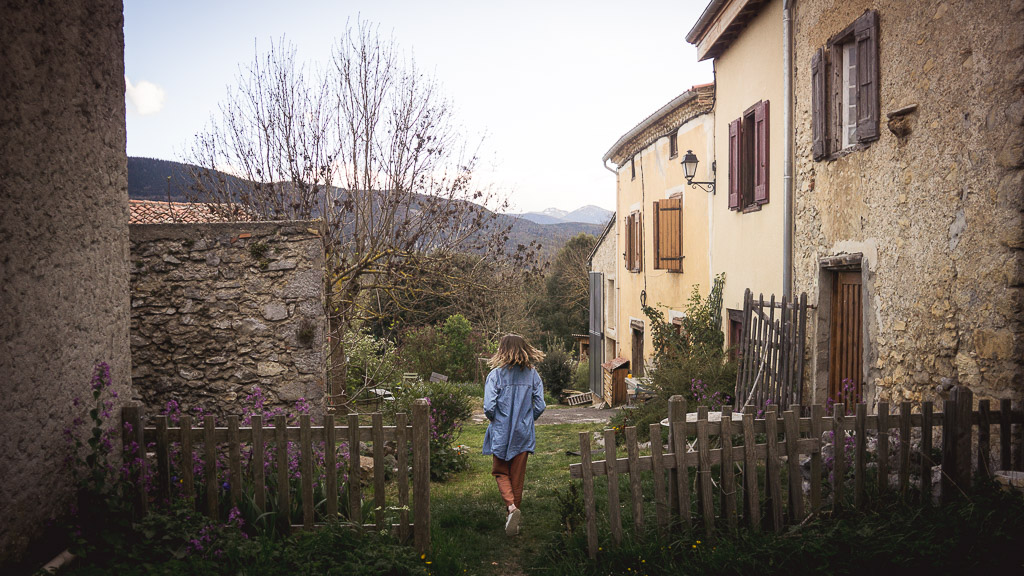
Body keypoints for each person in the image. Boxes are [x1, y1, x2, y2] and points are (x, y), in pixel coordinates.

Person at [482, 334, 546, 536]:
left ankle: (511, 508)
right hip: (523, 433)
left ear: (503, 350)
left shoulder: (496, 375)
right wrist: (528, 419)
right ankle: (514, 522)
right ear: (525, 349)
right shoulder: (533, 375)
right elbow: (540, 405)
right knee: (517, 478)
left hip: (501, 432)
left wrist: (496, 419)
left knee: (501, 471)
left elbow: (488, 407)